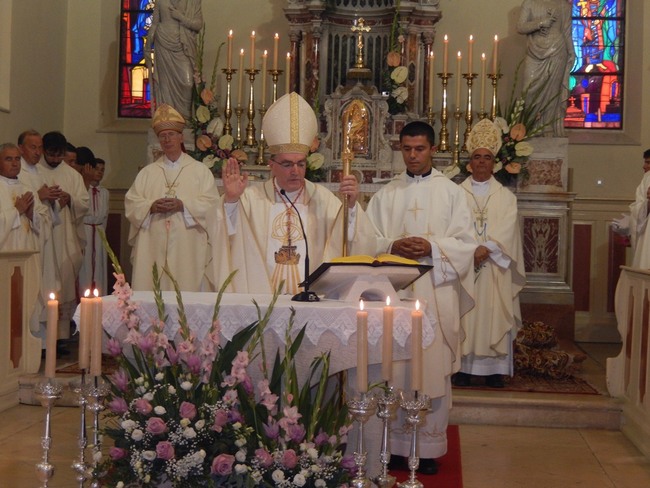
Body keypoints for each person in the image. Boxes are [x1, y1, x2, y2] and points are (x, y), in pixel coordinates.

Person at [365, 121, 477, 473]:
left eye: (420, 149)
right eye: (407, 149)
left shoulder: (453, 194)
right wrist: (392, 245)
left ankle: (426, 449)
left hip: (435, 297)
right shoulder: (386, 194)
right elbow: (366, 240)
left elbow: (467, 244)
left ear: (432, 149)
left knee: (430, 367)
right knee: (395, 369)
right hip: (395, 296)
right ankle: (394, 446)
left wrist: (432, 247)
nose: (413, 156)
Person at [219, 92, 377, 295]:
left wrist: (352, 206)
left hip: (312, 300)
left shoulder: (323, 200)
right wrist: (232, 201)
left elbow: (353, 241)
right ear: (271, 165)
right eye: (287, 164)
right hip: (261, 297)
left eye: (300, 164)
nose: (295, 171)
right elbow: (227, 238)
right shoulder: (252, 199)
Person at [452, 118, 527, 388]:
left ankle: (494, 371)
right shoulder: (455, 194)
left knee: (494, 313)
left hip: (495, 266)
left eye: (487, 157)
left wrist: (487, 248)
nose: (482, 162)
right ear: (470, 163)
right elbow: (452, 225)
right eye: (477, 157)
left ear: (494, 163)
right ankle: (462, 368)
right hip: (465, 264)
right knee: (465, 314)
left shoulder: (506, 197)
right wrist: (470, 250)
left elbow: (508, 227)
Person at [125, 104, 219, 291]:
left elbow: (212, 205)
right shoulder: (147, 173)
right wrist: (151, 207)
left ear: (181, 137)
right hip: (153, 245)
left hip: (187, 248)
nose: (167, 139)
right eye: (162, 136)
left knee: (185, 292)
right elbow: (132, 204)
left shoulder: (200, 171)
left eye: (171, 134)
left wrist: (183, 205)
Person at [39, 131, 89, 346]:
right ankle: (41, 339)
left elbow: (84, 202)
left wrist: (70, 199)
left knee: (66, 280)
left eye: (59, 155)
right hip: (44, 236)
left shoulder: (72, 175)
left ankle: (59, 337)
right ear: (44, 150)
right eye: (51, 154)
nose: (55, 159)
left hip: (65, 236)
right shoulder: (34, 171)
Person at [0, 143, 49, 344]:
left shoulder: (28, 189)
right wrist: (16, 211)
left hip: (27, 261)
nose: (14, 163)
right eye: (8, 159)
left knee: (25, 306)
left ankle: (22, 353)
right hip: (5, 259)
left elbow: (44, 223)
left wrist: (31, 215)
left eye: (17, 159)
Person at [17, 130, 61, 350]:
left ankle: (43, 344)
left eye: (40, 147)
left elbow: (51, 213)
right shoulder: (18, 172)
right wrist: (40, 196)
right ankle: (30, 341)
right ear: (21, 149)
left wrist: (52, 201)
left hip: (44, 237)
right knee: (31, 288)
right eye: (32, 147)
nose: (37, 152)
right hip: (27, 240)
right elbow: (18, 201)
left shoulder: (42, 172)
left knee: (45, 285)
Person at [517, 0, 575, 137]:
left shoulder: (564, 5)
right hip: (534, 51)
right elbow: (520, 27)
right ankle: (530, 127)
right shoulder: (529, 3)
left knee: (552, 92)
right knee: (528, 90)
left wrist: (572, 52)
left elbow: (567, 32)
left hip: (558, 51)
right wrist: (540, 23)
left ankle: (548, 128)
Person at [146, 0, 203, 120]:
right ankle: (166, 120)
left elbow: (198, 24)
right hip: (162, 43)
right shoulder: (160, 1)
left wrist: (181, 17)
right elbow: (155, 24)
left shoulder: (193, 2)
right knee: (165, 85)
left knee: (188, 84)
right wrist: (147, 47)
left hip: (183, 44)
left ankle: (185, 120)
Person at [78, 151, 109, 295]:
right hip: (86, 229)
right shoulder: (83, 188)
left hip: (99, 232)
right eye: (97, 169)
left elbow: (105, 216)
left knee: (99, 267)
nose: (100, 173)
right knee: (85, 266)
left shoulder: (105, 192)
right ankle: (84, 294)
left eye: (102, 170)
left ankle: (99, 294)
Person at [628, 149, 650, 268]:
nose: (644, 166)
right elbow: (641, 207)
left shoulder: (648, 178)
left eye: (648, 162)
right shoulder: (646, 179)